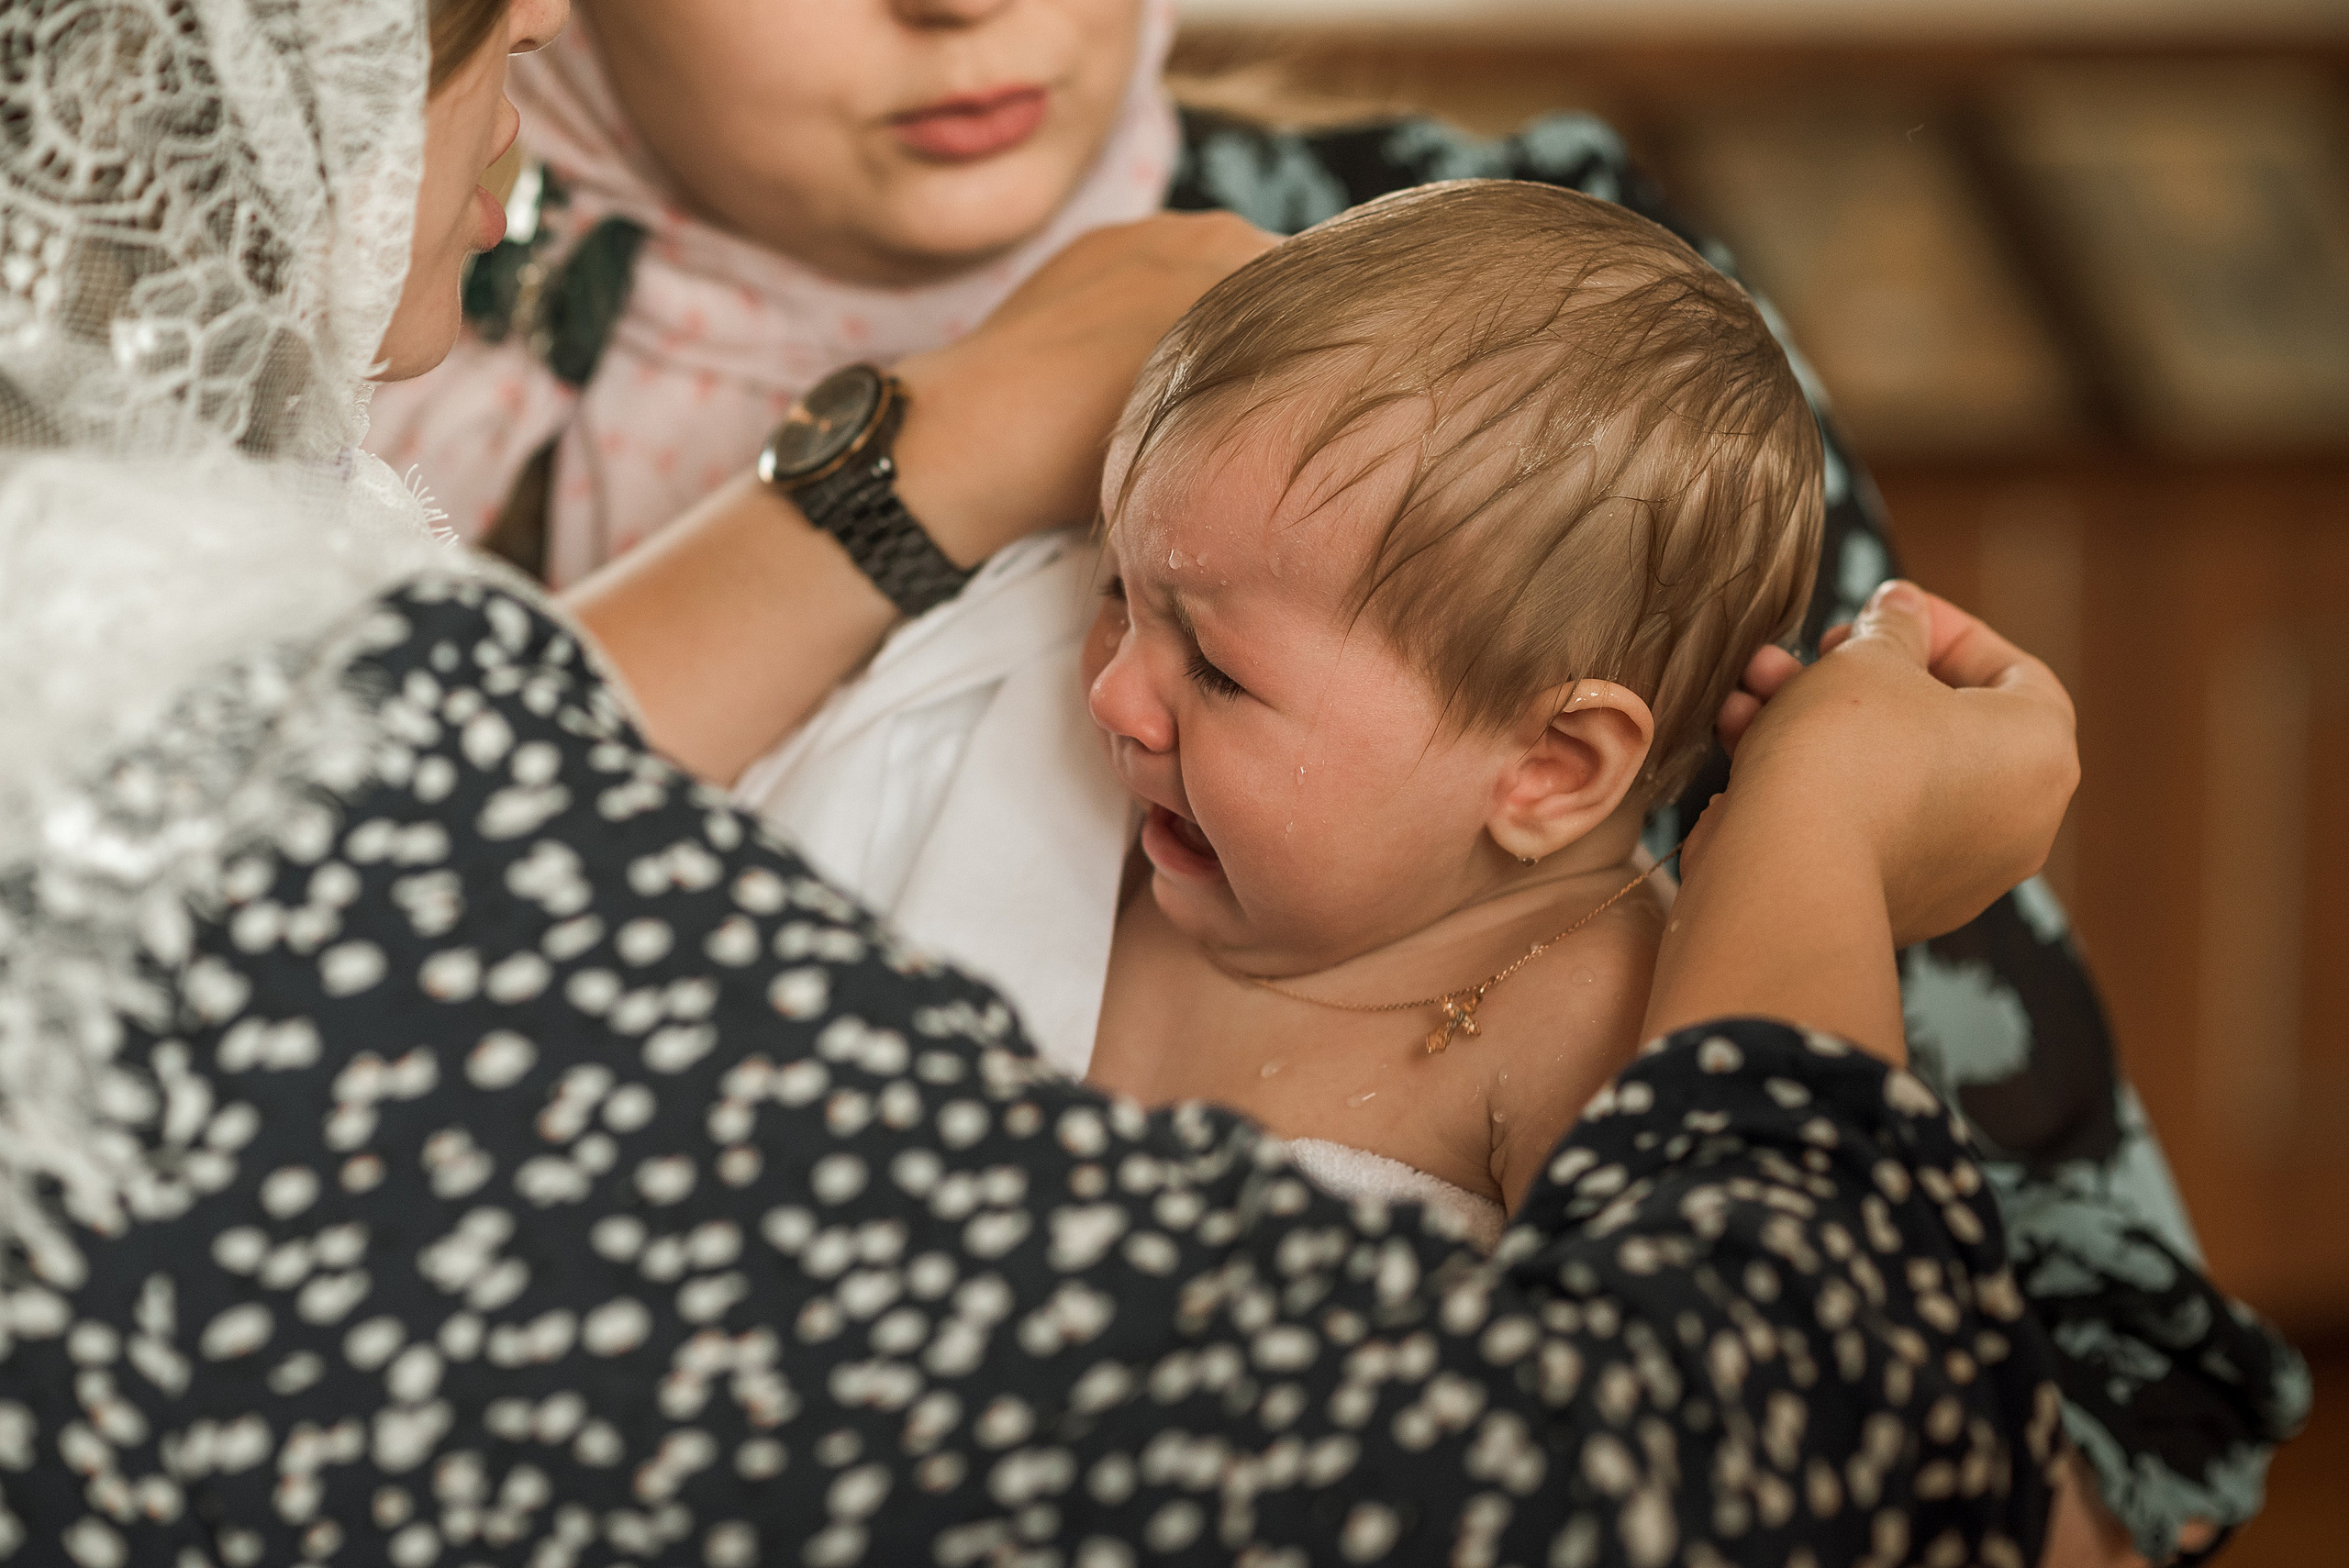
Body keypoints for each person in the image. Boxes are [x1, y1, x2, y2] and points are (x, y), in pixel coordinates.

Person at [0, 1, 2133, 1562]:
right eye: (1128, 599)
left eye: (1208, 647)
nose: (959, 3)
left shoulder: (1535, 339)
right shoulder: (340, 498)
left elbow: (2022, 1415)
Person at [1076, 180, 1828, 1250]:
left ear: (1550, 766)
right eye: (1114, 590)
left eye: (1216, 669)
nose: (1113, 693)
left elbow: (1697, 1354)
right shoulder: (1098, 861)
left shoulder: (1590, 1024)